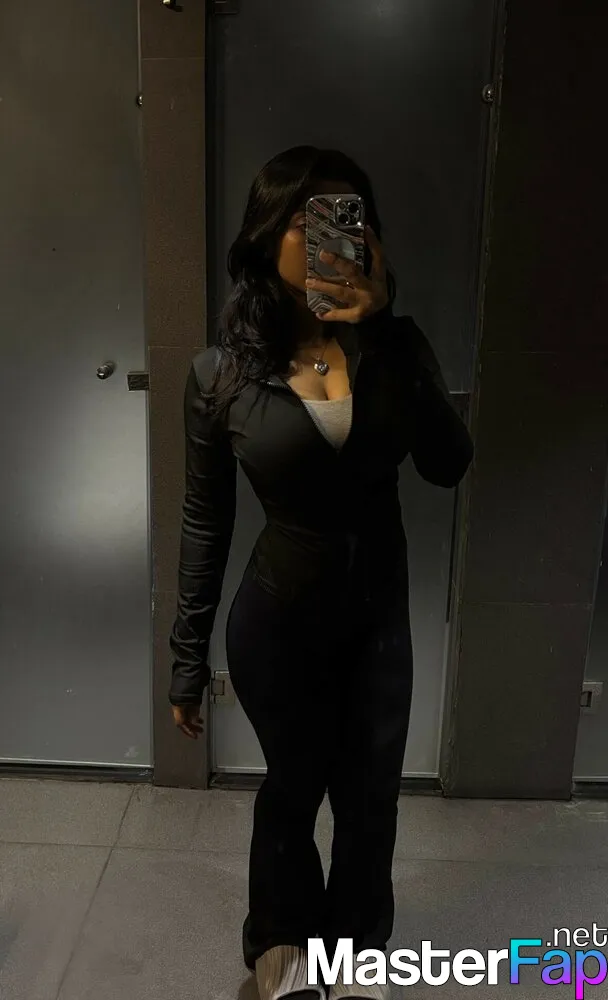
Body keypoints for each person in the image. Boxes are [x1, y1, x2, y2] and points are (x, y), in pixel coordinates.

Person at [168, 146, 474, 1000]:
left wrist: (388, 327)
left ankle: (359, 950)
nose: (332, 237)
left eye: (348, 218)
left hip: (377, 617)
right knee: (294, 789)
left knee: (371, 796)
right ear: (268, 235)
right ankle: (282, 946)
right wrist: (186, 658)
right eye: (308, 221)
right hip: (278, 620)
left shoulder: (395, 349)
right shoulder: (220, 374)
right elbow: (204, 520)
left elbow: (449, 464)